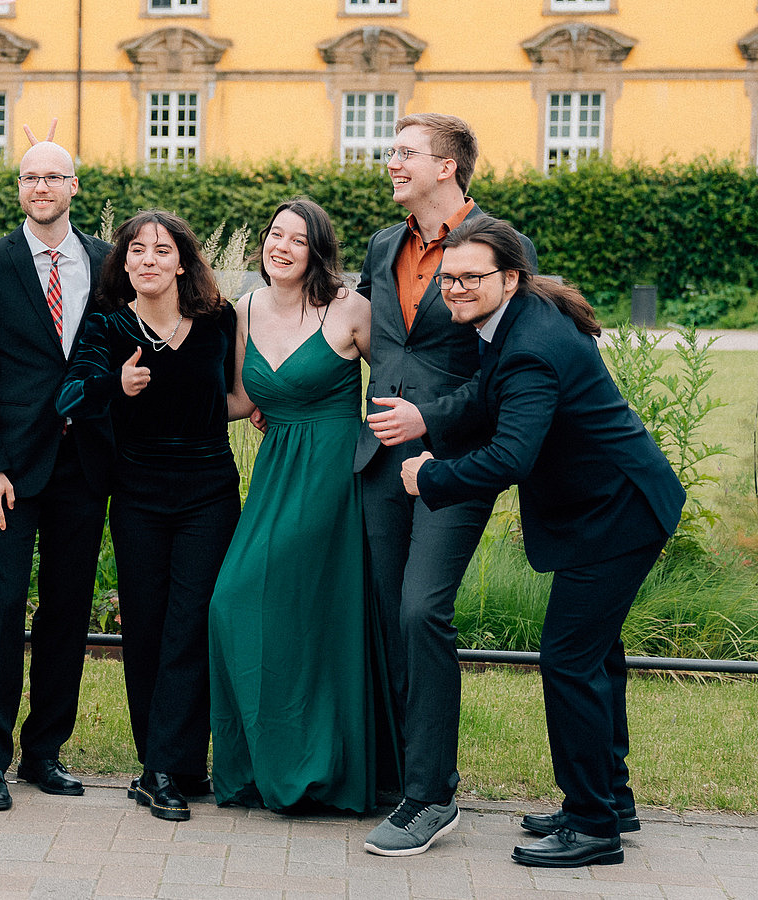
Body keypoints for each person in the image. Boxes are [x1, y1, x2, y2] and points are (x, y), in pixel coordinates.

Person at [402, 216, 683, 867]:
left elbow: (510, 457)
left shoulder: (531, 342)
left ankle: (591, 827)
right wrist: (432, 417)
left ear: (508, 277)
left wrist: (431, 476)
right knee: (594, 657)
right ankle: (608, 798)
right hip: (615, 506)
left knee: (568, 661)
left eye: (471, 277)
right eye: (448, 278)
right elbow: (487, 393)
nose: (457, 289)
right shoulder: (514, 319)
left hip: (618, 516)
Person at [356, 113, 539, 857]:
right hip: (376, 461)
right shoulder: (381, 243)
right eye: (391, 150)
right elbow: (366, 335)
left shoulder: (500, 244)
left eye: (403, 152)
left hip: (457, 462)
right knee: (386, 616)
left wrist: (428, 421)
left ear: (447, 165)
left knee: (423, 610)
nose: (389, 161)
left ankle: (433, 796)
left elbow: (506, 367)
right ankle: (402, 777)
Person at [57, 210, 244, 822]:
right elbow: (72, 395)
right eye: (137, 250)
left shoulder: (219, 319)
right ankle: (157, 765)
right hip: (137, 493)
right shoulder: (110, 323)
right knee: (147, 624)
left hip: (208, 491)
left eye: (163, 251)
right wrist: (117, 384)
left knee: (192, 623)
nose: (149, 259)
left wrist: (279, 410)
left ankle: (178, 764)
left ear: (183, 262)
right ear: (124, 262)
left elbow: (236, 395)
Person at [0, 140, 115, 812]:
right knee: (0, 609)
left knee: (68, 612)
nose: (41, 185)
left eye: (53, 176)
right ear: (18, 188)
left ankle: (44, 751)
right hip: (10, 471)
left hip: (86, 464)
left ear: (74, 185)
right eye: (30, 177)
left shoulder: (109, 262)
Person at [210, 198, 379, 814]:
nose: (280, 246)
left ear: (317, 251)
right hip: (277, 470)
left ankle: (318, 768)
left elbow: (398, 383)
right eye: (274, 234)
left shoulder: (350, 310)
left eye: (297, 239)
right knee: (233, 602)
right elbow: (234, 398)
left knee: (293, 607)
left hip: (333, 476)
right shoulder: (245, 309)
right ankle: (267, 764)